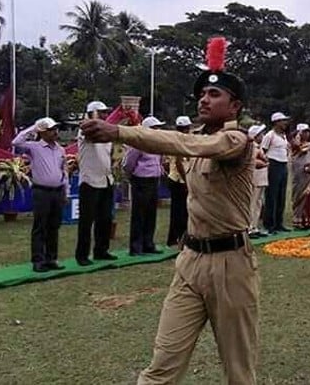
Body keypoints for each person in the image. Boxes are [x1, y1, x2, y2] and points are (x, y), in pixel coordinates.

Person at [81, 36, 259, 384]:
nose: (204, 99)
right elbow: (186, 142)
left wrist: (119, 131)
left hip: (231, 263)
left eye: (214, 95)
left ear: (234, 106)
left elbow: (187, 144)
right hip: (191, 259)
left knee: (239, 371)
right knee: (162, 366)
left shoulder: (235, 141)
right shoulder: (196, 136)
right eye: (202, 94)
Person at [12, 117, 68, 273]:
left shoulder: (60, 150)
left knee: (54, 226)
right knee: (40, 226)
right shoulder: (34, 147)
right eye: (50, 130)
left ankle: (51, 258)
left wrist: (66, 191)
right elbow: (16, 142)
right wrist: (34, 127)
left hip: (57, 191)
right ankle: (38, 260)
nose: (54, 132)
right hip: (41, 191)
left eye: (55, 129)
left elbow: (64, 172)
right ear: (42, 132)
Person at [75, 100, 117, 266]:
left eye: (106, 112)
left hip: (106, 179)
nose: (106, 115)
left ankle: (101, 250)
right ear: (92, 113)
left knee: (105, 218)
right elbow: (88, 132)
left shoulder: (106, 133)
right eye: (101, 112)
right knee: (86, 221)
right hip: (90, 181)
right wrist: (91, 117)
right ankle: (82, 255)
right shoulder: (85, 130)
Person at [123, 116, 165, 256]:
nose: (157, 130)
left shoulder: (158, 144)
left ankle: (148, 243)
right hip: (141, 180)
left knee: (151, 213)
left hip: (154, 179)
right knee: (139, 214)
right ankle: (135, 247)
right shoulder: (138, 144)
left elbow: (159, 160)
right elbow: (129, 163)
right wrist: (132, 176)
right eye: (155, 128)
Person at [262, 111, 291, 234]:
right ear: (276, 122)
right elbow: (263, 150)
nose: (285, 123)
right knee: (272, 195)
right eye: (282, 121)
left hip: (283, 164)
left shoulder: (283, 136)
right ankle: (270, 224)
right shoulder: (270, 135)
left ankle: (279, 223)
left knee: (281, 195)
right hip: (273, 164)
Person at [165, 116, 192, 246]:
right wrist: (187, 181)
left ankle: (176, 238)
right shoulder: (178, 141)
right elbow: (179, 162)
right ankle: (178, 238)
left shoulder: (176, 140)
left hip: (176, 178)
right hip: (179, 180)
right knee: (180, 212)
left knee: (179, 211)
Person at [290, 123, 310, 230]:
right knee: (298, 195)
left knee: (308, 197)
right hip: (299, 174)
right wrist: (297, 137)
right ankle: (297, 219)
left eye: (308, 132)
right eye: (304, 132)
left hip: (309, 173)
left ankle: (307, 220)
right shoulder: (295, 144)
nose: (307, 134)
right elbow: (295, 152)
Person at [248, 124, 269, 239]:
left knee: (258, 203)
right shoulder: (252, 147)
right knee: (253, 202)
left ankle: (255, 226)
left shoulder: (259, 147)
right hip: (255, 178)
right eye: (261, 134)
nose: (263, 136)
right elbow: (254, 162)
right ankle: (250, 227)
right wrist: (265, 162)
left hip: (261, 178)